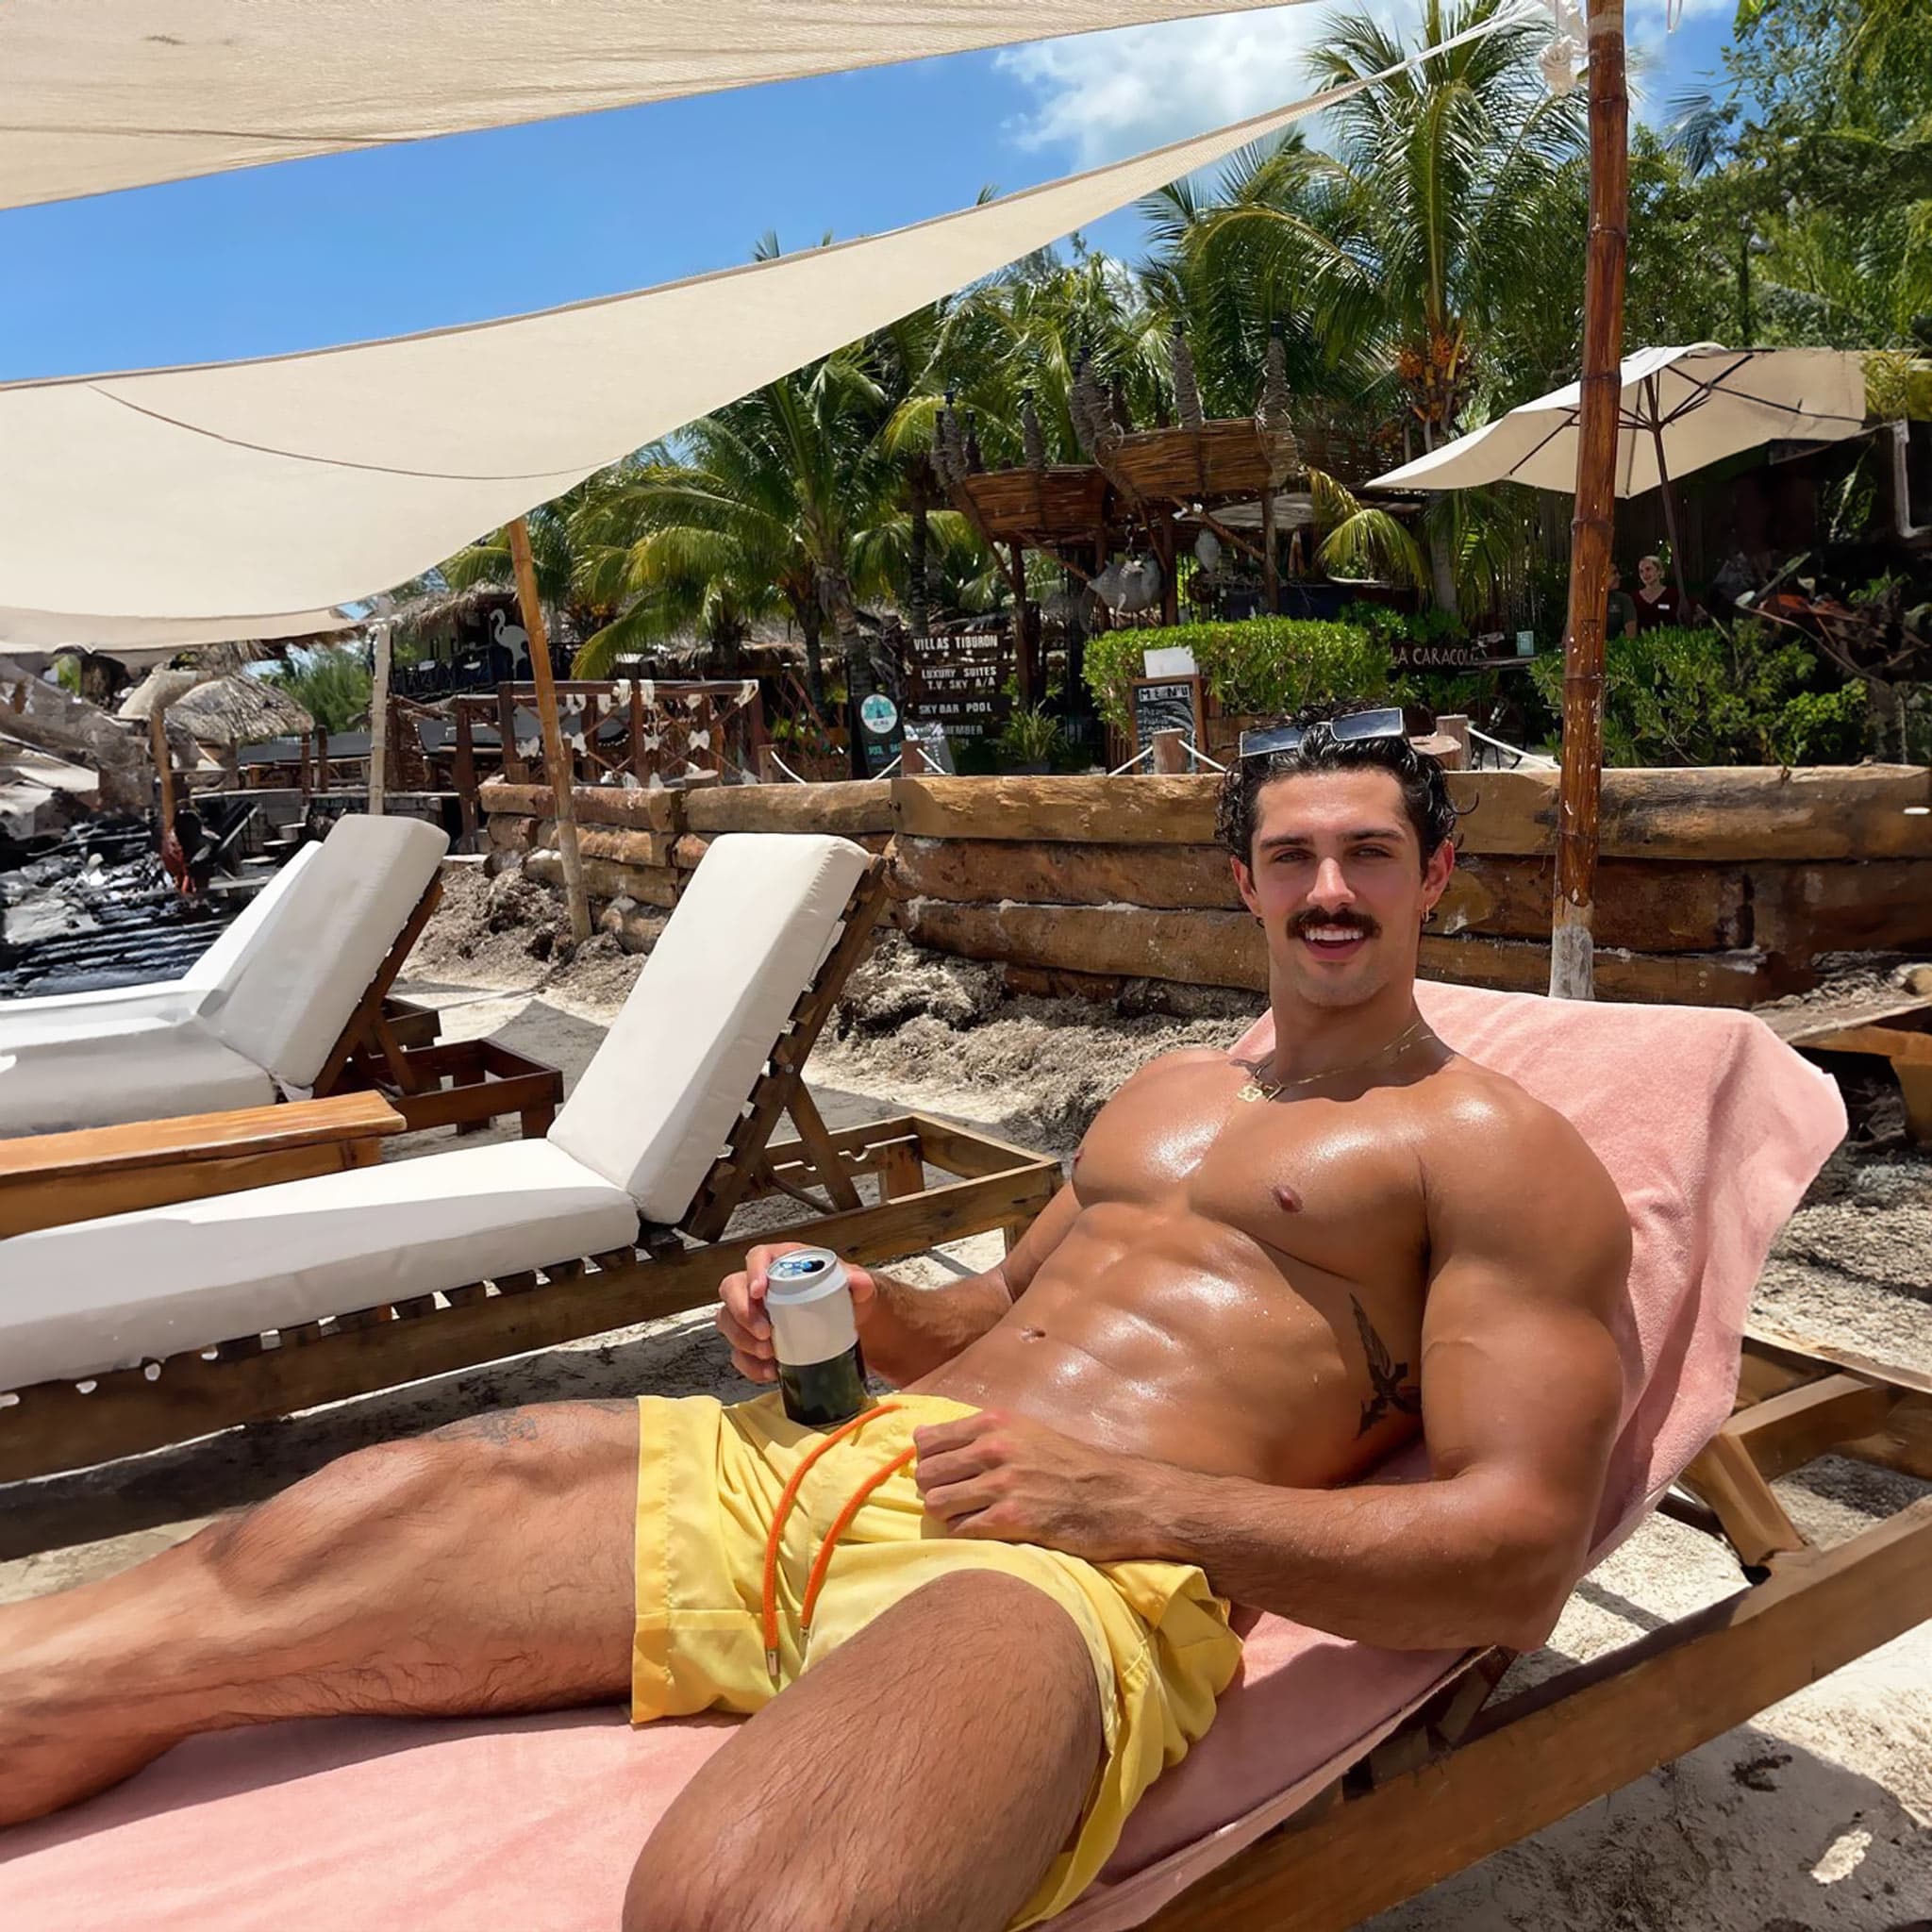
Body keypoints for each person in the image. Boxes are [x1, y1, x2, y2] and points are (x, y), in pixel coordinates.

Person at [0, 708, 1633, 1932]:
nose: (1328, 889)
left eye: (1364, 856)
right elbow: (995, 1308)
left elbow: (1512, 1556)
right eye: (1290, 856)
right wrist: (869, 1313)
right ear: (1240, 882)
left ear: (1432, 876)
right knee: (270, 1564)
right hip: (802, 1459)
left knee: (752, 1905)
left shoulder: (1489, 1151)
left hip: (1052, 1565)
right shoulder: (1163, 1092)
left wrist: (1135, 1505)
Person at [1632, 553, 1683, 630]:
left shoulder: (1673, 594)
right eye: (1641, 571)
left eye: (1648, 569)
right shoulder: (1633, 597)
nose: (1644, 574)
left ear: (1659, 571)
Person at [1606, 563, 1639, 641]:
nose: (1619, 576)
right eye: (1614, 573)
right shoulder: (1586, 600)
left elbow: (1631, 635)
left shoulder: (1624, 599)